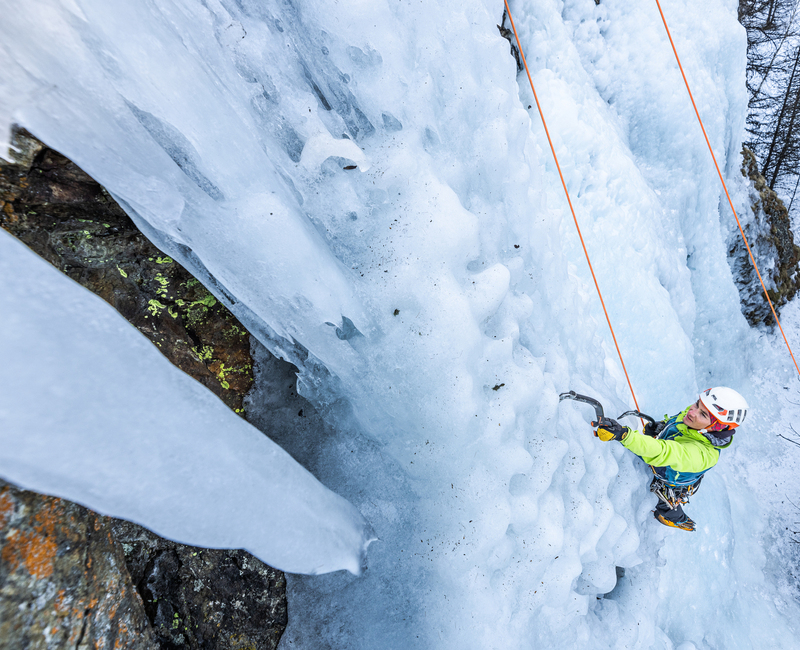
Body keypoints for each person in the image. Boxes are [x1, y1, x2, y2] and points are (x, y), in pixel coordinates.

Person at [593, 387, 749, 531]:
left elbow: (662, 453)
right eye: (697, 404)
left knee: (665, 502)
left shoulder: (703, 455)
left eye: (703, 414)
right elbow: (678, 422)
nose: (692, 412)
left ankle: (674, 517)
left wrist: (624, 435)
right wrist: (662, 427)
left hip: (671, 475)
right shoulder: (695, 421)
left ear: (717, 427)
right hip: (671, 452)